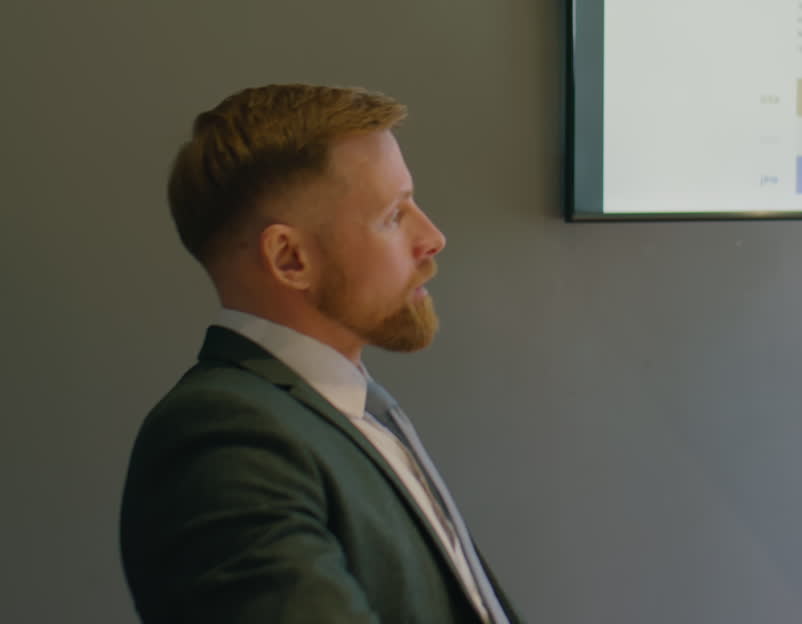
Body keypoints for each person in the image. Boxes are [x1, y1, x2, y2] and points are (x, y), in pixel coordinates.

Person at [120, 84, 521, 623]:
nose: (433, 237)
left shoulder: (345, 413)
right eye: (393, 215)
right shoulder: (224, 438)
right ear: (289, 258)